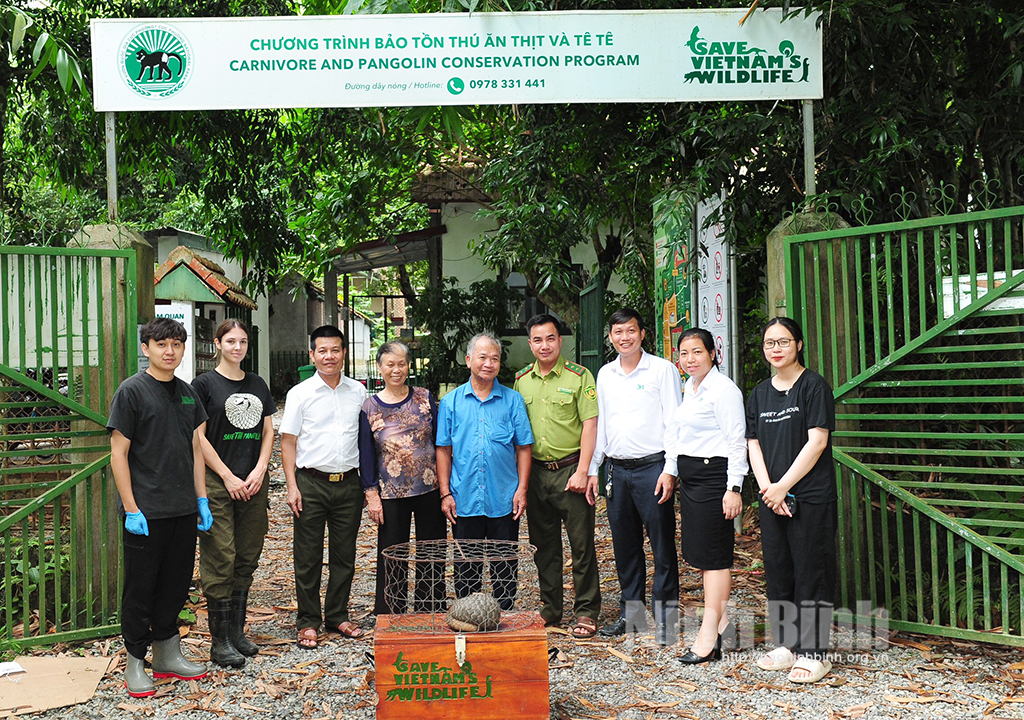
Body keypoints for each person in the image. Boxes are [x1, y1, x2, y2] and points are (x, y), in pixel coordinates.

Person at [107, 317, 213, 697]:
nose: (170, 352)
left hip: (182, 510)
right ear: (146, 348)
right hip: (146, 513)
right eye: (162, 345)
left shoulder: (188, 394)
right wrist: (131, 507)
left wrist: (201, 498)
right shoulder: (131, 391)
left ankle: (168, 653)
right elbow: (118, 454)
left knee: (175, 584)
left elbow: (196, 450)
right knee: (140, 589)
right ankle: (136, 662)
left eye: (177, 345)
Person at [746, 317, 837, 684]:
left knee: (811, 571)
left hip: (810, 496)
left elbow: (817, 441)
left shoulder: (814, 386)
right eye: (770, 343)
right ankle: (786, 644)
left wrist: (783, 485)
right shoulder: (759, 393)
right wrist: (769, 488)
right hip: (773, 498)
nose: (776, 349)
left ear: (798, 344)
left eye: (783, 342)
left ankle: (815, 653)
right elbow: (752, 443)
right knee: (779, 570)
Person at [587, 308, 682, 645]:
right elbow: (603, 426)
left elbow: (674, 422)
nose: (624, 337)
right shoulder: (606, 374)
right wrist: (593, 469)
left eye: (630, 331)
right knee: (625, 546)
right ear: (610, 336)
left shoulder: (662, 370)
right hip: (617, 470)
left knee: (661, 543)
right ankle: (633, 614)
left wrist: (671, 469)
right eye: (617, 332)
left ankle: (667, 616)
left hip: (652, 468)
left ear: (642, 333)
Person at [193, 319, 275, 667]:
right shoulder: (204, 384)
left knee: (247, 554)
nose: (237, 347)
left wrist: (258, 471)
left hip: (253, 481)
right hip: (218, 480)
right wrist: (226, 476)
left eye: (242, 341)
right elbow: (198, 437)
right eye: (230, 341)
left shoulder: (257, 383)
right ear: (217, 344)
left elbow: (269, 430)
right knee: (221, 554)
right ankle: (219, 640)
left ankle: (237, 632)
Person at [280, 325, 368, 649]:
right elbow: (288, 443)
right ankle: (308, 621)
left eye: (335, 350)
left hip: (348, 484)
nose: (329, 356)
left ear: (344, 353)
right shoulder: (299, 394)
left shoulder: (358, 392)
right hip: (310, 483)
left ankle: (337, 614)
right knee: (307, 555)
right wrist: (292, 486)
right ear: (312, 355)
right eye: (322, 351)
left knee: (344, 554)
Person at [514, 314, 601, 637]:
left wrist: (583, 471)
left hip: (570, 471)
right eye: (537, 340)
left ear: (560, 341)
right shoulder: (522, 379)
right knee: (544, 546)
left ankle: (587, 611)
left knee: (581, 546)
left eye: (550, 338)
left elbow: (590, 425)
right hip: (537, 474)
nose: (544, 345)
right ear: (530, 344)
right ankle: (551, 608)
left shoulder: (579, 376)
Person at [665, 328, 748, 664]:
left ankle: (709, 636)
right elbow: (679, 433)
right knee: (701, 555)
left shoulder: (723, 390)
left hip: (716, 479)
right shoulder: (691, 386)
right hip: (693, 479)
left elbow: (736, 441)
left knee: (715, 558)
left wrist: (734, 488)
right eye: (684, 353)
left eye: (697, 352)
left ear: (713, 354)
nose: (690, 359)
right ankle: (725, 626)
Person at [436, 332, 533, 609]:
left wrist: (521, 490)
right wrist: (445, 493)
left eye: (494, 358)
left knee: (504, 562)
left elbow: (523, 447)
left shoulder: (513, 400)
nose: (488, 364)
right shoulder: (451, 402)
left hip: (504, 497)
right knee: (467, 564)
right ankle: (468, 615)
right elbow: (443, 448)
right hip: (464, 497)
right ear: (469, 360)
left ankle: (503, 614)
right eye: (482, 357)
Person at [358, 341, 446, 615]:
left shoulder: (424, 397)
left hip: (429, 488)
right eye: (390, 364)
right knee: (392, 553)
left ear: (408, 366)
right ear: (380, 368)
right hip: (391, 494)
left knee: (431, 551)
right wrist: (371, 493)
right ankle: (389, 612)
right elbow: (366, 453)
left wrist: (446, 487)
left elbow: (440, 441)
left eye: (401, 364)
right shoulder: (369, 407)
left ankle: (429, 608)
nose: (396, 370)